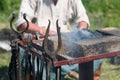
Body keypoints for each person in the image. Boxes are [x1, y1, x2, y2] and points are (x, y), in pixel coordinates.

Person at [15, 0, 103, 80]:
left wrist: (81, 30)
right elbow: (21, 23)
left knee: (94, 53)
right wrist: (43, 31)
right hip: (40, 42)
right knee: (44, 64)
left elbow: (83, 19)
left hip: (66, 41)